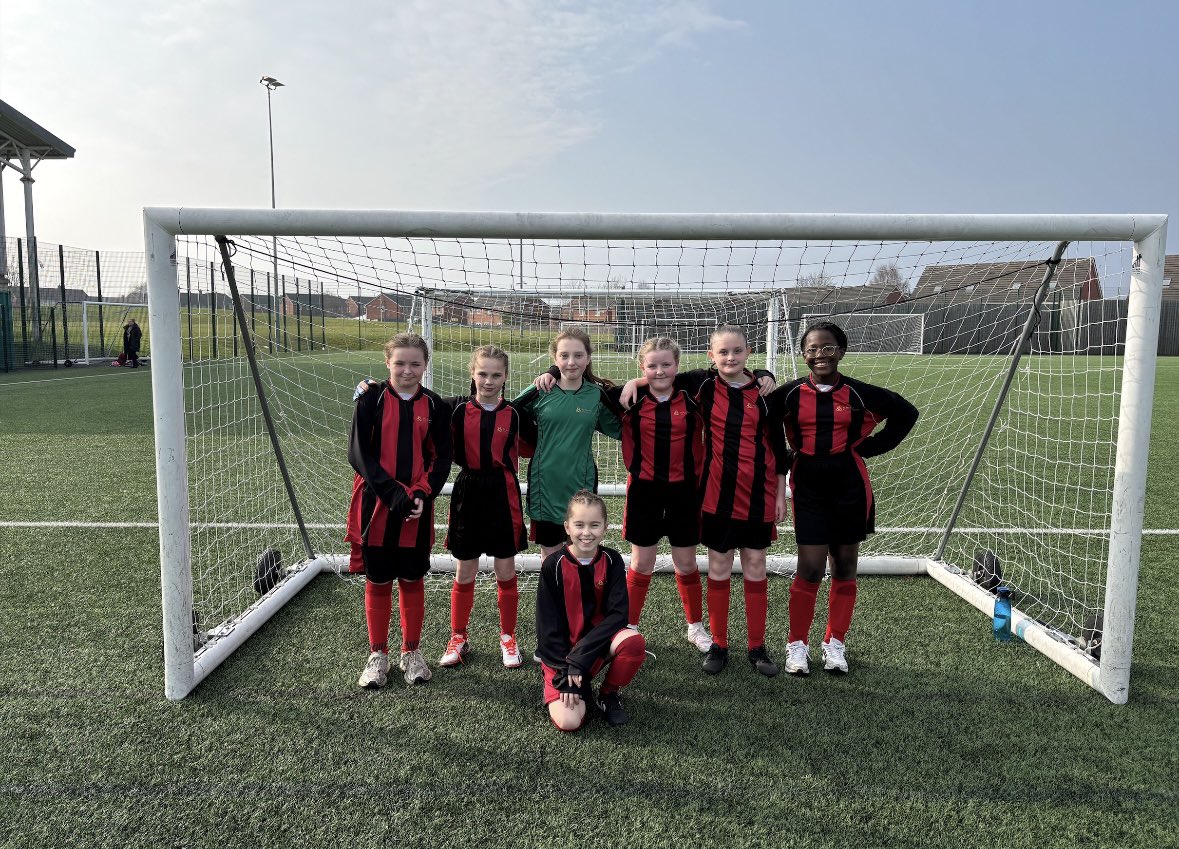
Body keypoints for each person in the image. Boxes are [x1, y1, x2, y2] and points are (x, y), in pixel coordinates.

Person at [620, 325, 786, 678]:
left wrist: (781, 489)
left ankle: (756, 646)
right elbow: (656, 378)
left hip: (751, 493)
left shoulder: (764, 392)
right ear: (711, 357)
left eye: (737, 351)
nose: (730, 357)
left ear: (748, 351)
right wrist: (635, 383)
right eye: (722, 352)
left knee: (754, 565)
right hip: (711, 494)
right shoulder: (704, 387)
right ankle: (717, 644)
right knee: (709, 565)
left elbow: (778, 442)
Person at [536, 336, 712, 653]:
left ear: (678, 365)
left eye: (666, 364)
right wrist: (552, 369)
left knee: (685, 563)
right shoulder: (624, 398)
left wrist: (639, 378)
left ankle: (695, 627)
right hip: (644, 490)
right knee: (641, 562)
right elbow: (577, 379)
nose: (660, 372)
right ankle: (628, 626)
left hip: (685, 490)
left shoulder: (692, 390)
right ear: (641, 365)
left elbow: (723, 369)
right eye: (651, 366)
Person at [769, 321, 919, 676]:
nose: (819, 355)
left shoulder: (858, 393)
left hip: (850, 484)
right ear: (803, 354)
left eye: (827, 348)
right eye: (812, 349)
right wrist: (786, 457)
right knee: (809, 568)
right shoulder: (789, 395)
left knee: (845, 565)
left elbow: (906, 413)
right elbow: (762, 417)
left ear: (841, 350)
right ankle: (797, 645)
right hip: (808, 486)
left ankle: (835, 643)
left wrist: (870, 446)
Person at [346, 333, 452, 689]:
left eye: (415, 364)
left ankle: (412, 652)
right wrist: (393, 493)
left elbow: (441, 458)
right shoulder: (370, 399)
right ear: (387, 363)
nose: (408, 370)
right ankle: (378, 655)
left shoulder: (435, 406)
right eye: (400, 363)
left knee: (411, 578)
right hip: (376, 505)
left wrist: (423, 494)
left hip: (416, 509)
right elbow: (359, 454)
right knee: (378, 580)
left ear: (426, 365)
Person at [437, 345, 534, 670]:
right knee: (465, 569)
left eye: (495, 374)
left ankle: (508, 637)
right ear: (472, 374)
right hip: (468, 492)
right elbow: (414, 397)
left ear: (505, 376)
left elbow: (531, 447)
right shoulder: (456, 410)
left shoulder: (516, 414)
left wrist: (548, 375)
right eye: (482, 373)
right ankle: (459, 636)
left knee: (505, 569)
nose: (488, 380)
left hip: (504, 494)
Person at [535, 491, 646, 731]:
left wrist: (580, 658)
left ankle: (607, 694)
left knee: (633, 643)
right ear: (567, 527)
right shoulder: (552, 566)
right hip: (562, 658)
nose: (587, 533)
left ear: (605, 527)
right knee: (569, 722)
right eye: (579, 525)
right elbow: (547, 629)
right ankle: (567, 682)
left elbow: (618, 615)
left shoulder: (612, 560)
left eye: (594, 525)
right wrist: (567, 667)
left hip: (594, 650)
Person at [514, 328, 622, 561]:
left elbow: (624, 428)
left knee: (582, 552)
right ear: (555, 359)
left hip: (580, 482)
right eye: (564, 356)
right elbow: (508, 413)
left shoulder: (596, 395)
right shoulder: (541, 390)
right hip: (545, 485)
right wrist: (533, 438)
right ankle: (553, 597)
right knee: (550, 555)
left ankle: (581, 597)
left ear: (588, 357)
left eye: (578, 355)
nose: (571, 362)